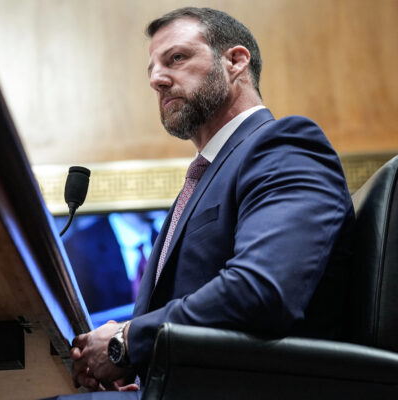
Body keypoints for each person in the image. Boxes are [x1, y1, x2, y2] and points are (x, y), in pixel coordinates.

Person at [69, 7, 354, 397]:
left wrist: (126, 341)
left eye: (177, 58)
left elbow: (260, 291)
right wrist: (140, 368)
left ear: (235, 61)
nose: (156, 80)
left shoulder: (283, 145)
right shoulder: (207, 174)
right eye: (152, 69)